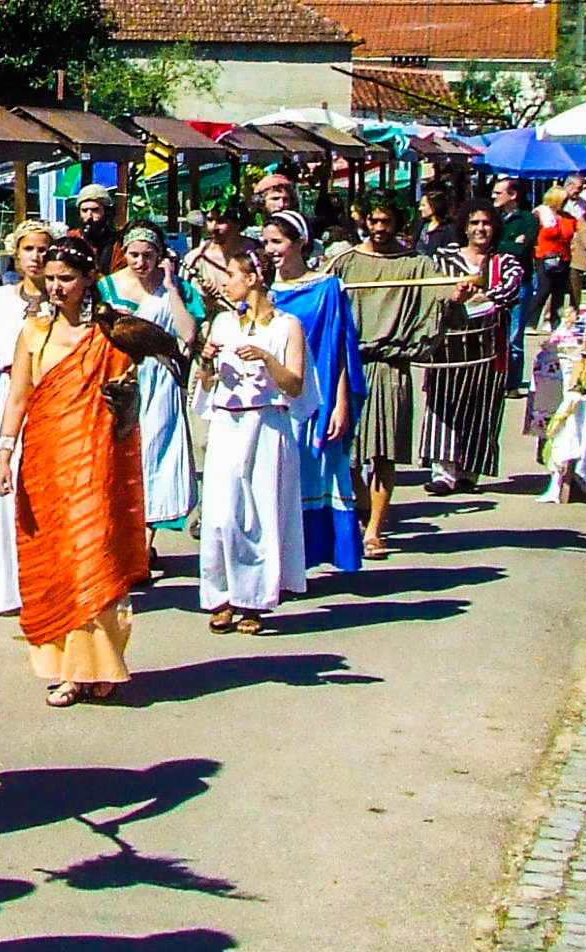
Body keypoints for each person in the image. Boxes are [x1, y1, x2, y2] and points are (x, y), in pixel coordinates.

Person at [0, 237, 148, 708]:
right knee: (56, 558)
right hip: (46, 463)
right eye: (51, 279)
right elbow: (18, 397)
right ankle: (67, 669)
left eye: (67, 279)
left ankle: (97, 665)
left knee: (92, 555)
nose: (57, 287)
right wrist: (3, 454)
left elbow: (128, 403)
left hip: (95, 460)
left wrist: (124, 403)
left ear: (89, 281)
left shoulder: (109, 335)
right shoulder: (33, 333)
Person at [326, 192, 456, 560]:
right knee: (345, 451)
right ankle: (361, 505)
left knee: (383, 453)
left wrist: (457, 295)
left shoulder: (416, 264)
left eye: (386, 221)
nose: (379, 228)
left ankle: (374, 530)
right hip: (349, 365)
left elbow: (443, 296)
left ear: (399, 221)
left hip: (389, 366)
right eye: (374, 220)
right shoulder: (345, 262)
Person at [195, 249, 314, 635]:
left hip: (266, 425)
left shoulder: (287, 326)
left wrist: (266, 357)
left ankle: (254, 600)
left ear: (252, 279)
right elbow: (207, 383)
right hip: (228, 424)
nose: (226, 281)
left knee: (259, 515)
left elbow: (295, 385)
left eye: (232, 274)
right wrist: (207, 362)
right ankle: (220, 595)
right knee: (221, 515)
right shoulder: (222, 323)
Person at [0, 219, 58, 615]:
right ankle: (7, 586)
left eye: (42, 249)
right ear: (16, 254)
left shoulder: (66, 299)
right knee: (8, 483)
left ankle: (50, 584)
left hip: (54, 393)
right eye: (28, 249)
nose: (36, 257)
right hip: (11, 395)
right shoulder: (1, 300)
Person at [264, 210, 366, 573]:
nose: (270, 249)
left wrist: (340, 404)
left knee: (316, 473)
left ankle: (312, 556)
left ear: (300, 243)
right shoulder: (264, 291)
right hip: (274, 400)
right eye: (266, 242)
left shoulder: (328, 289)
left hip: (317, 400)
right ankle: (279, 566)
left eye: (278, 242)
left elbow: (340, 350)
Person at [98, 222, 200, 551]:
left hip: (162, 380)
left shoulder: (177, 288)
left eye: (148, 255)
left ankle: (144, 542)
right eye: (134, 255)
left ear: (160, 255)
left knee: (155, 453)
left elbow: (188, 335)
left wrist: (170, 288)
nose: (141, 262)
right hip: (121, 378)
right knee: (119, 456)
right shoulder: (106, 288)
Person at [420, 203, 521, 495]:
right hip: (448, 347)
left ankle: (469, 472)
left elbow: (510, 290)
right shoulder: (443, 259)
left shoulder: (505, 262)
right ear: (464, 227)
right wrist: (455, 297)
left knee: (481, 408)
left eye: (486, 223)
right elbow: (433, 290)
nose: (480, 229)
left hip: (488, 348)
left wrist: (482, 297)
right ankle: (443, 472)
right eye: (474, 223)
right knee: (443, 404)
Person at [183, 191, 260, 318]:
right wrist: (207, 300)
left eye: (221, 221)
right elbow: (189, 308)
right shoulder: (195, 260)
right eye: (209, 220)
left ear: (238, 223)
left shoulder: (257, 255)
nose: (213, 227)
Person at [493, 176, 538, 390]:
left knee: (514, 337)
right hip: (496, 283)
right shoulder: (493, 219)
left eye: (498, 193)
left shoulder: (528, 219)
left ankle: (512, 384)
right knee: (495, 334)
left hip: (521, 283)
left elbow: (522, 249)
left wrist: (499, 245)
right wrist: (510, 243)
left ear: (513, 195)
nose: (493, 196)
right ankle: (495, 379)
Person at [528, 186, 577, 332]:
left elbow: (574, 232)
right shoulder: (540, 214)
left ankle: (555, 323)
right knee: (543, 290)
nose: (565, 203)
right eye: (563, 200)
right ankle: (530, 322)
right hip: (544, 257)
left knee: (559, 292)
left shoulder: (568, 217)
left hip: (564, 258)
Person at [71, 183, 122, 270]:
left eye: (95, 210)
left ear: (107, 211)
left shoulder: (118, 243)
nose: (89, 216)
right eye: (84, 210)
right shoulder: (72, 238)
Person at [414, 190, 459, 255]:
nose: (420, 208)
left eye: (423, 205)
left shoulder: (449, 230)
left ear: (434, 206)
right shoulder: (421, 225)